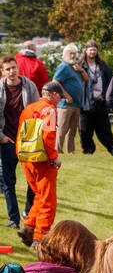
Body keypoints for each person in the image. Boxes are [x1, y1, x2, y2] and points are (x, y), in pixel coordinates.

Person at [16, 81, 63, 245]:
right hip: (42, 160)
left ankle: (29, 226)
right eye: (60, 97)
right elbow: (48, 135)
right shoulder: (49, 110)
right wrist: (54, 157)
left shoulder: (28, 108)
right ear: (54, 95)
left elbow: (20, 133)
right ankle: (40, 237)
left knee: (40, 195)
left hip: (26, 158)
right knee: (48, 200)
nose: (60, 100)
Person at [1, 54, 39, 230]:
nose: (12, 71)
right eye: (8, 69)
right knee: (9, 182)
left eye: (14, 67)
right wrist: (0, 136)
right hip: (6, 139)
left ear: (18, 67)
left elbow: (37, 111)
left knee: (33, 181)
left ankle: (27, 213)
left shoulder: (28, 86)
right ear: (2, 71)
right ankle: (13, 218)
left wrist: (33, 136)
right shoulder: (0, 88)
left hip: (27, 140)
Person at [78, 42, 113, 157]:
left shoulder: (102, 66)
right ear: (86, 50)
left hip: (100, 102)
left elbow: (111, 82)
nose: (92, 52)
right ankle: (88, 150)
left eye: (94, 49)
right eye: (90, 49)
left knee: (104, 129)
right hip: (86, 103)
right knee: (85, 130)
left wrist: (106, 95)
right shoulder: (80, 66)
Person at [52, 45, 87, 156]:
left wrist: (81, 70)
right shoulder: (63, 66)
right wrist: (66, 95)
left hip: (77, 103)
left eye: (74, 53)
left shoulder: (76, 67)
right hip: (65, 104)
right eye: (70, 53)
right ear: (65, 54)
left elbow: (87, 79)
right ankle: (57, 150)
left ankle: (70, 151)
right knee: (62, 128)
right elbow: (55, 82)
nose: (72, 55)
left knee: (72, 131)